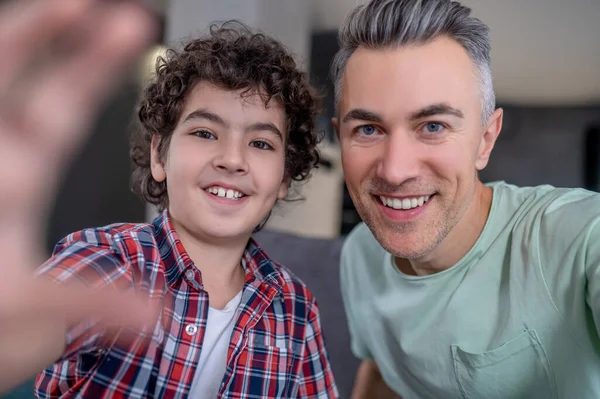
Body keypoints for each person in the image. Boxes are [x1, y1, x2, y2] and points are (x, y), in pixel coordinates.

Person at [0, 1, 338, 398]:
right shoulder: (108, 260)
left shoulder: (295, 308)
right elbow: (27, 331)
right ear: (160, 156)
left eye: (261, 143)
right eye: (205, 133)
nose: (232, 160)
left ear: (283, 177)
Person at [332, 0, 600, 398]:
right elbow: (383, 373)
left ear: (486, 139)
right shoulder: (359, 255)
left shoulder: (574, 237)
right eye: (369, 129)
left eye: (433, 126)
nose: (395, 170)